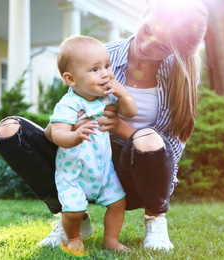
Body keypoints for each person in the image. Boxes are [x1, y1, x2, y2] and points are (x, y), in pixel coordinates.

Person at [0, 0, 208, 251]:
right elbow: (66, 112)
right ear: (146, 13)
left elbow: (170, 148)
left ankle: (156, 218)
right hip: (83, 160)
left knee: (147, 137)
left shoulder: (180, 75)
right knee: (9, 131)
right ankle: (72, 216)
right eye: (149, 30)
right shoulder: (101, 56)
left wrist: (120, 127)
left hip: (135, 176)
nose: (147, 44)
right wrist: (65, 131)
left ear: (175, 51)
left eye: (161, 45)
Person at [49, 35, 137, 252]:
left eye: (107, 66)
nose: (106, 73)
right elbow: (57, 133)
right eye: (95, 69)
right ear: (71, 79)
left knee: (118, 204)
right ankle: (74, 238)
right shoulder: (68, 105)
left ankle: (111, 240)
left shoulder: (107, 97)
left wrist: (122, 94)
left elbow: (130, 112)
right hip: (74, 174)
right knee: (73, 212)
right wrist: (75, 135)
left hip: (103, 171)